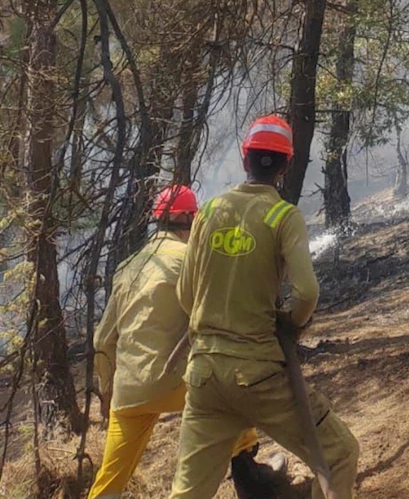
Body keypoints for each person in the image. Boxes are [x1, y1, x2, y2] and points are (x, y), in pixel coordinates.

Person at [169, 115, 359, 498]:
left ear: (245, 160)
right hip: (257, 375)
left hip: (205, 375)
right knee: (339, 454)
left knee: (188, 492)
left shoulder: (208, 212)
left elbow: (185, 295)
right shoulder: (282, 216)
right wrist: (290, 323)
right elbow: (306, 292)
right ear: (286, 167)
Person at [90, 185, 284, 499]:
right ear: (188, 218)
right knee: (230, 401)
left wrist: (106, 388)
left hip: (130, 390)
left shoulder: (127, 268)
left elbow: (102, 339)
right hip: (181, 383)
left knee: (110, 478)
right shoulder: (192, 260)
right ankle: (252, 480)